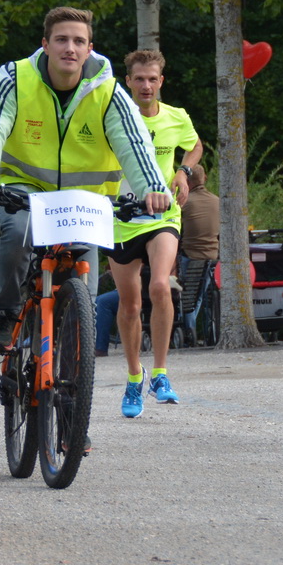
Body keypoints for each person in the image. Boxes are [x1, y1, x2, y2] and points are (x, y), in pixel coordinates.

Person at [0, 7, 170, 378]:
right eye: (61, 39)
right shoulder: (15, 78)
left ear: (90, 48)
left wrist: (153, 188)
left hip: (83, 203)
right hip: (23, 191)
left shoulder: (108, 92)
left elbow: (134, 142)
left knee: (84, 302)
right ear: (45, 45)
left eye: (78, 41)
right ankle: (6, 312)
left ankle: (75, 415)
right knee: (19, 233)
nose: (69, 48)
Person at [107, 48, 201, 417]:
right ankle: (134, 378)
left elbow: (194, 145)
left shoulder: (177, 117)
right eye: (139, 79)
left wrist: (184, 171)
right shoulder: (113, 116)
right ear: (127, 81)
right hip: (121, 217)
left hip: (163, 215)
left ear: (161, 82)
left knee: (160, 285)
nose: (146, 85)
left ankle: (160, 373)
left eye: (152, 79)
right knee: (129, 306)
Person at [178, 163, 220, 268]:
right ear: (205, 178)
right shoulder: (218, 201)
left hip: (189, 256)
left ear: (186, 181)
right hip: (213, 257)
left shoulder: (183, 202)